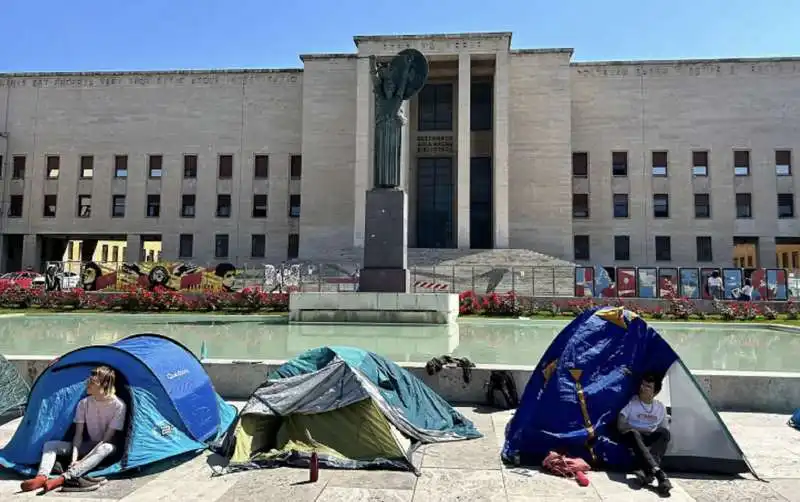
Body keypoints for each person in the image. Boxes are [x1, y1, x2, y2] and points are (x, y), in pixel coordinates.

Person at [20, 366, 126, 494]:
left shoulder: (118, 406)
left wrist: (82, 460)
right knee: (50, 445)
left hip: (108, 448)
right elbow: (78, 435)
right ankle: (41, 477)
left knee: (106, 447)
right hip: (88, 445)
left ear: (104, 384)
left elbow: (106, 439)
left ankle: (64, 478)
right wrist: (74, 459)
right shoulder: (84, 403)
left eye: (91, 383)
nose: (87, 384)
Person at [617, 373, 672, 496]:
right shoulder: (632, 403)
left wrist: (652, 432)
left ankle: (646, 472)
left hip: (650, 439)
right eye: (642, 384)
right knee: (633, 433)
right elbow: (621, 426)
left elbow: (664, 430)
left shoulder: (660, 407)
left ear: (655, 392)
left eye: (647, 386)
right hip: (634, 438)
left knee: (664, 433)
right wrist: (640, 430)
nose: (642, 387)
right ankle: (659, 474)